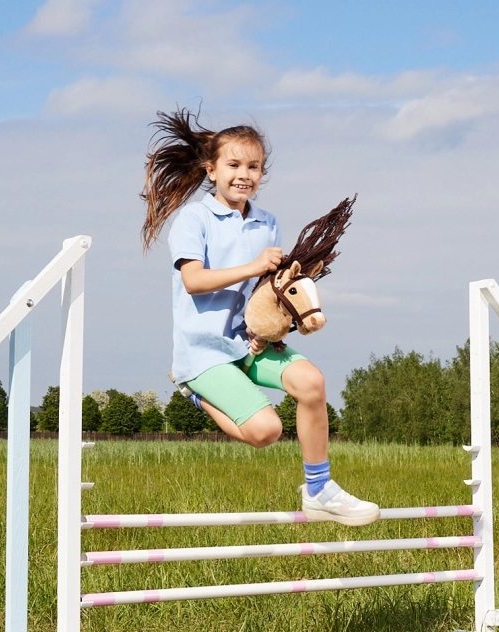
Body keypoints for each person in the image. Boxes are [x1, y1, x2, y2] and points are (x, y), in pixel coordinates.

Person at [141, 107, 379, 526]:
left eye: (254, 166)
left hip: (249, 344)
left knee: (311, 383)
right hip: (204, 353)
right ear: (210, 169)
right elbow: (194, 281)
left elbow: (262, 294)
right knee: (267, 431)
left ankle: (319, 489)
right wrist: (254, 265)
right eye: (233, 165)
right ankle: (192, 392)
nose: (244, 174)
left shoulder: (269, 223)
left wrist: (272, 327)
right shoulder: (193, 218)